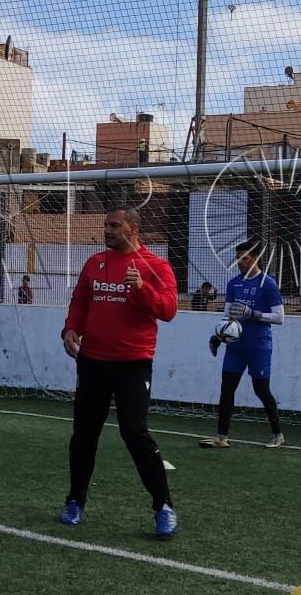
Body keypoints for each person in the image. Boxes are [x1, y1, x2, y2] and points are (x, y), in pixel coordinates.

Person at [59, 206, 181, 538]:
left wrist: (141, 288)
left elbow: (168, 310)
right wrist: (71, 329)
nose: (107, 230)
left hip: (132, 363)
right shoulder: (95, 263)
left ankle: (163, 506)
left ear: (133, 230)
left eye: (115, 225)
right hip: (93, 362)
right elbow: (80, 303)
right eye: (106, 225)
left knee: (135, 432)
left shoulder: (155, 266)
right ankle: (75, 501)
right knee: (84, 435)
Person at [201, 242, 284, 450]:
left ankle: (277, 434)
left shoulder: (268, 283)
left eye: (244, 258)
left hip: (259, 346)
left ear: (255, 258)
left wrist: (254, 315)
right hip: (236, 347)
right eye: (238, 258)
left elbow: (280, 317)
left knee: (261, 390)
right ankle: (221, 437)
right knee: (227, 388)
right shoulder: (233, 284)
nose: (240, 262)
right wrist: (217, 337)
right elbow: (227, 316)